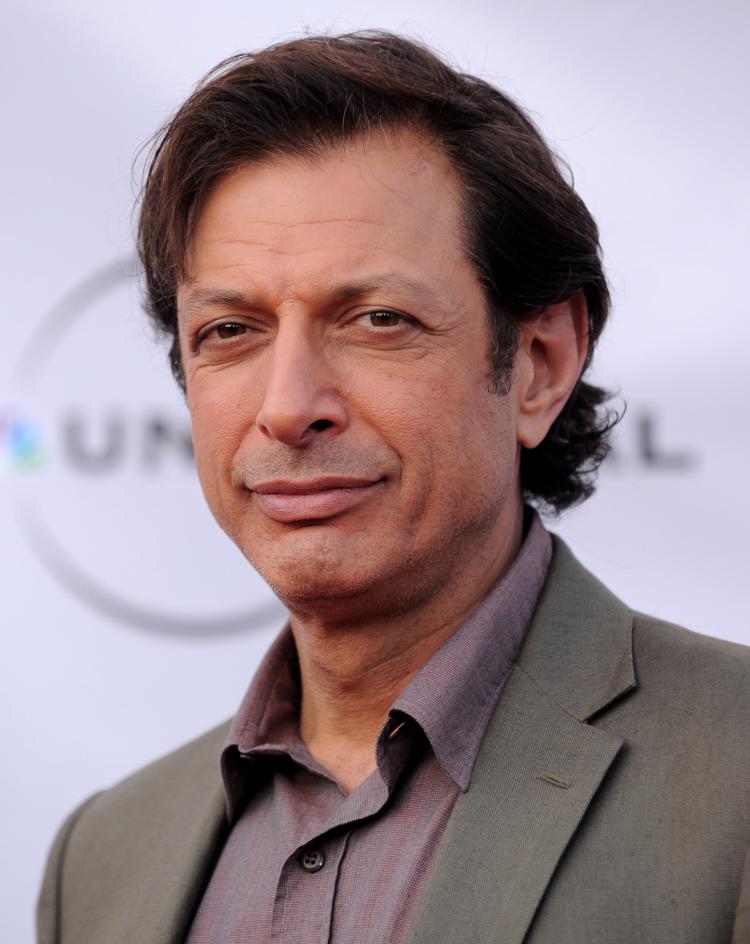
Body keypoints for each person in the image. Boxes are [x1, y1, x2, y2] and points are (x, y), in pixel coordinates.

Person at [37, 31, 750, 944]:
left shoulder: (732, 773)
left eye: (377, 319)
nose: (289, 407)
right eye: (230, 331)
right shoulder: (102, 858)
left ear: (538, 364)